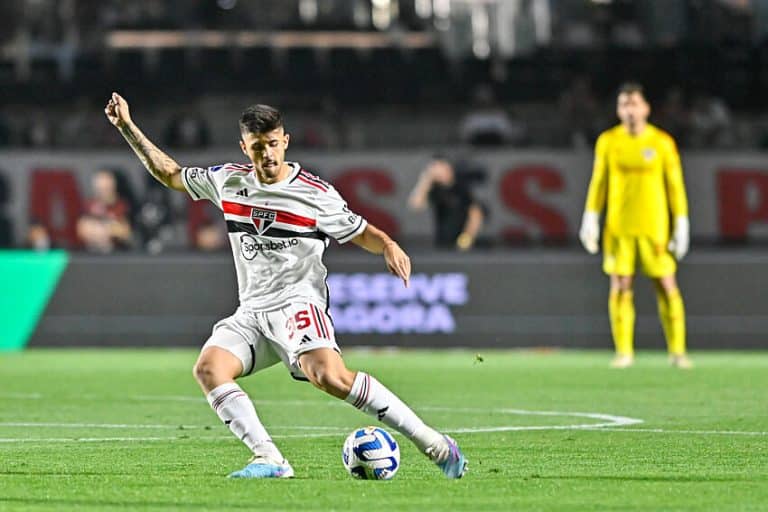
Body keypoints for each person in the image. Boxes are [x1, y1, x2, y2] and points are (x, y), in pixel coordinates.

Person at [104, 92, 468, 479]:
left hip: (298, 304)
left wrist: (390, 246)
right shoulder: (227, 181)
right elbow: (170, 174)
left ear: (285, 141)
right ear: (245, 147)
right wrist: (127, 127)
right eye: (258, 147)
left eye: (274, 144)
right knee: (209, 369)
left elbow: (360, 231)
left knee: (330, 377)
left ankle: (433, 443)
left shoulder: (314, 193)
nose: (267, 155)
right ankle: (270, 459)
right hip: (252, 311)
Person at [579, 82, 692, 369]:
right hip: (619, 228)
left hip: (655, 228)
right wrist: (590, 217)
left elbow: (675, 186)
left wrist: (681, 222)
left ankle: (678, 351)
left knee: (667, 286)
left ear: (646, 108)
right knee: (620, 287)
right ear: (618, 110)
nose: (629, 110)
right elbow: (599, 182)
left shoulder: (662, 142)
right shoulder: (608, 141)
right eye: (624, 105)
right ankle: (624, 351)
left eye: (634, 104)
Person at [408, 155, 485, 250]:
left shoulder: (461, 187)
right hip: (442, 243)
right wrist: (426, 180)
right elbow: (415, 205)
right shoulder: (435, 189)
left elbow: (475, 214)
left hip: (461, 243)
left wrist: (467, 238)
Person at [76, 169, 133, 252]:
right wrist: (98, 230)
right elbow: (81, 230)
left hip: (118, 254)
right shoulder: (89, 206)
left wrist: (107, 229)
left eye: (106, 187)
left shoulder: (122, 206)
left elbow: (126, 232)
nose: (102, 190)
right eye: (100, 188)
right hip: (93, 253)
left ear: (113, 186)